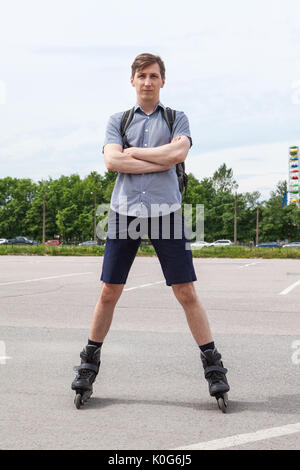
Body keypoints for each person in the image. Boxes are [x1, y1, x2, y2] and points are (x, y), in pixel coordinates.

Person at [71, 53, 229, 409]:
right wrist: (159, 157)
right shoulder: (118, 120)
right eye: (141, 75)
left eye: (154, 76)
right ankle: (88, 362)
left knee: (185, 291)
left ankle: (214, 366)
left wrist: (138, 153)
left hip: (167, 212)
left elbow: (178, 154)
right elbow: (113, 161)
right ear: (132, 80)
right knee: (109, 290)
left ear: (162, 81)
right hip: (123, 212)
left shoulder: (177, 117)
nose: (147, 81)